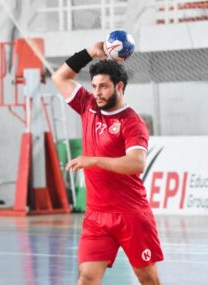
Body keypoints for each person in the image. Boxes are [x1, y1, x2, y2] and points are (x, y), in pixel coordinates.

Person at [51, 42, 164, 285]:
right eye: (94, 87)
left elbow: (137, 162)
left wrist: (94, 160)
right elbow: (60, 77)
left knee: (148, 279)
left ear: (119, 86)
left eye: (103, 87)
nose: (97, 92)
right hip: (96, 217)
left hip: (131, 215)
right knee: (87, 278)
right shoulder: (87, 106)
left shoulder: (132, 122)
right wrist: (90, 53)